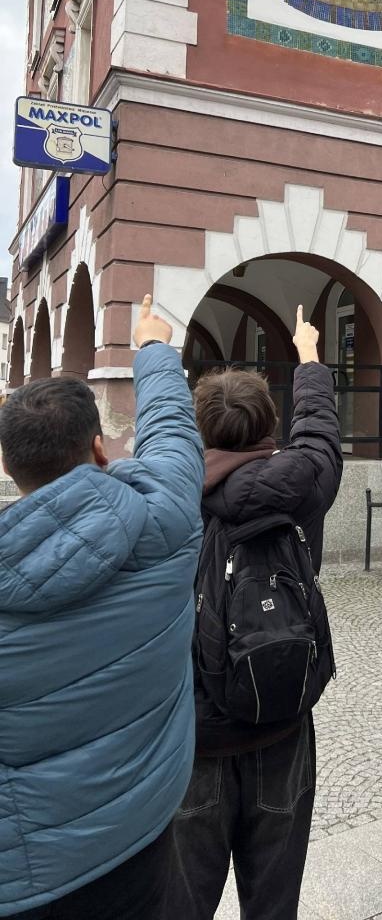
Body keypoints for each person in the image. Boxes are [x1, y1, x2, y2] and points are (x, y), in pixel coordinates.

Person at [0, 296, 204, 919]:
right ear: (98, 448)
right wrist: (152, 347)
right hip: (141, 845)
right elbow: (172, 433)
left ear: (10, 467)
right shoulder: (165, 524)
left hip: (26, 880)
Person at [166, 306, 342, 920]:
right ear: (271, 426)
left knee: (183, 903)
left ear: (199, 432)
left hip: (197, 742)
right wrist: (310, 358)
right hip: (284, 728)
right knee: (274, 905)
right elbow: (320, 433)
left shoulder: (170, 497)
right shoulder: (305, 485)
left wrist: (155, 360)